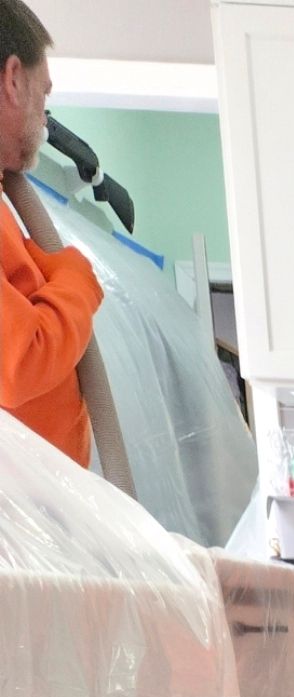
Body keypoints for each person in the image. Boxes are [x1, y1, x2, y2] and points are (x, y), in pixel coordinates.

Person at [0, 0, 102, 466]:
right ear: (13, 80)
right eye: (44, 93)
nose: (44, 117)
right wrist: (78, 279)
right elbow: (18, 363)